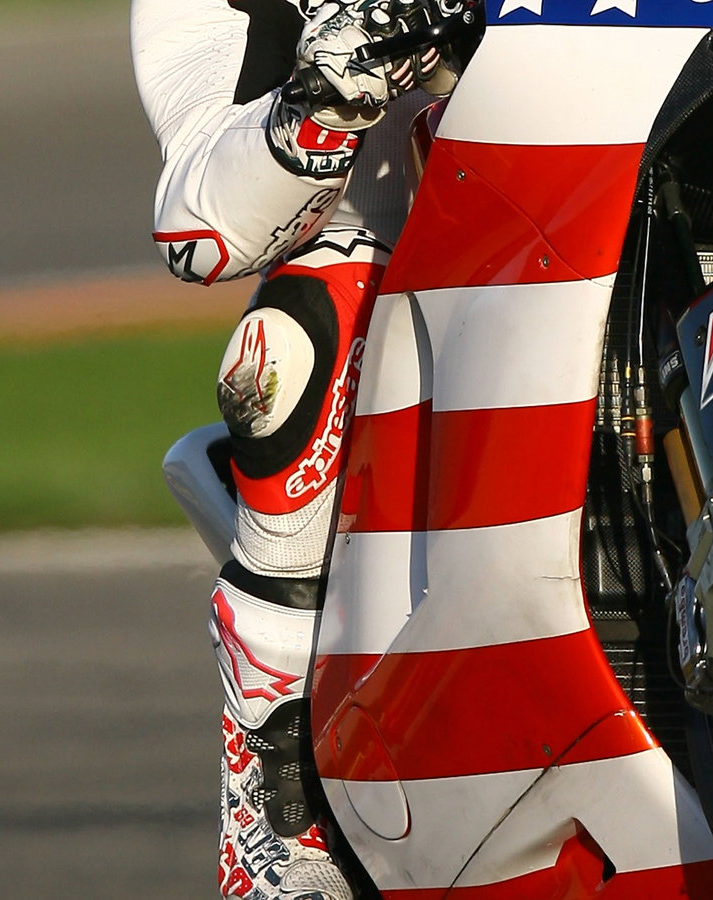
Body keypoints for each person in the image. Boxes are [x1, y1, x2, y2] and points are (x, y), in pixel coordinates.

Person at [132, 1, 450, 897]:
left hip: (647, 204)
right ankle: (274, 766)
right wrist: (321, 98)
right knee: (286, 349)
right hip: (436, 281)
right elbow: (199, 230)